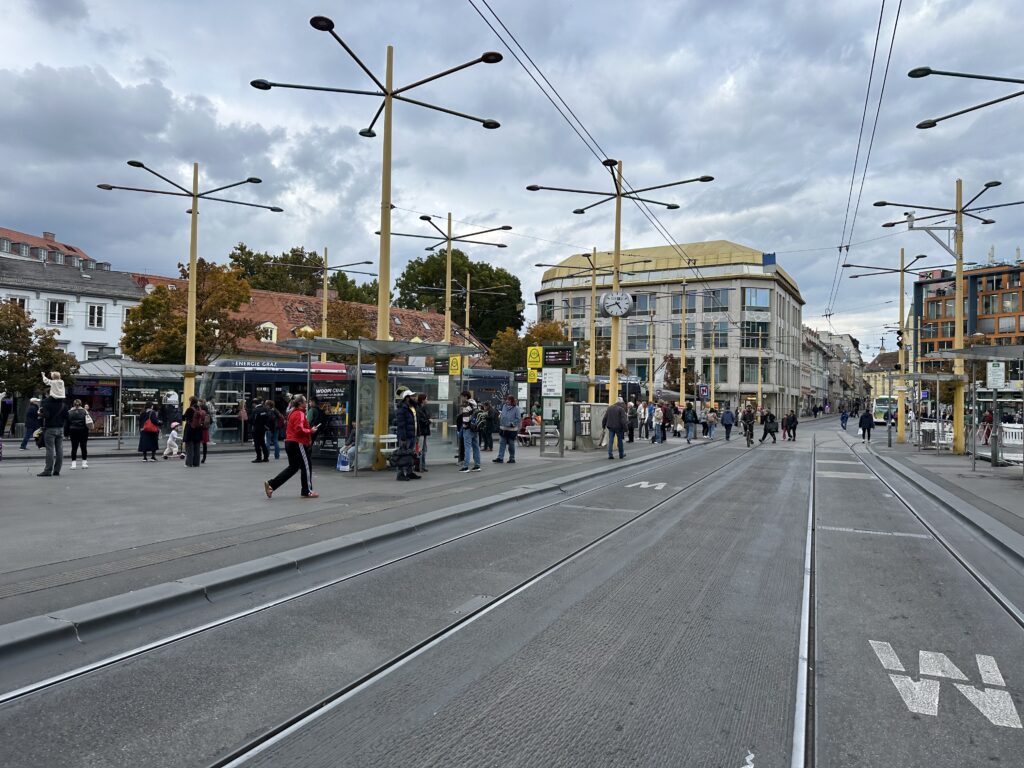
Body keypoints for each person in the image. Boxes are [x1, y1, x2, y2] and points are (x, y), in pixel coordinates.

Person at [265, 394, 319, 498]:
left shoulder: (292, 413)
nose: (306, 403)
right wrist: (310, 431)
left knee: (293, 468)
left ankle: (271, 484)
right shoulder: (300, 414)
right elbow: (299, 429)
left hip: (290, 442)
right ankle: (307, 490)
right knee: (307, 466)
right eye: (304, 401)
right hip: (298, 443)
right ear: (300, 403)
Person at [38, 381, 66, 477]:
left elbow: (46, 415)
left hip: (50, 428)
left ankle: (48, 470)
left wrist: (40, 414)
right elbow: (66, 416)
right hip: (60, 428)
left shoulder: (46, 402)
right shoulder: (62, 403)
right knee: (60, 449)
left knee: (50, 450)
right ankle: (57, 470)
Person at [394, 387, 421, 481]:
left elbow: (415, 421)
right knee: (402, 455)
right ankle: (400, 474)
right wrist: (403, 438)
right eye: (412, 396)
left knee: (410, 455)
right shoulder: (402, 409)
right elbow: (401, 424)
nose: (415, 398)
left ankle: (409, 472)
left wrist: (417, 434)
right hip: (405, 436)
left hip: (412, 434)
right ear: (407, 398)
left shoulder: (413, 407)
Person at [494, 394, 521, 464]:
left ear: (512, 401)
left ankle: (512, 458)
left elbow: (518, 419)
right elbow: (503, 415)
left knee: (511, 444)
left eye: (509, 400)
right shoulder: (504, 406)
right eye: (507, 400)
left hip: (511, 430)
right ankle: (500, 458)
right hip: (503, 428)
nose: (507, 401)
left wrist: (512, 424)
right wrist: (501, 419)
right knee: (502, 443)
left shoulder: (516, 408)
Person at [65, 399, 90, 469]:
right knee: (83, 447)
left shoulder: (69, 412)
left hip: (73, 431)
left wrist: (66, 434)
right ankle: (84, 463)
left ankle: (73, 464)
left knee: (74, 447)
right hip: (83, 431)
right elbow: (88, 421)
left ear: (73, 404)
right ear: (81, 404)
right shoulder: (85, 411)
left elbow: (66, 424)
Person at [460, 398, 482, 472]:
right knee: (476, 447)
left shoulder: (467, 409)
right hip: (476, 430)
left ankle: (465, 467)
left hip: (468, 430)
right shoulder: (477, 407)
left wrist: (464, 427)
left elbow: (466, 421)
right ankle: (477, 465)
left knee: (467, 448)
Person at [182, 396, 203, 468]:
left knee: (190, 447)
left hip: (190, 430)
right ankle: (196, 463)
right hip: (198, 430)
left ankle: (189, 463)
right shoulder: (199, 409)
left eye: (189, 401)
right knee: (197, 447)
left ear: (191, 401)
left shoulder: (190, 409)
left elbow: (184, 418)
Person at [416, 393, 432, 472]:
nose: (427, 400)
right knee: (420, 449)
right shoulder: (418, 409)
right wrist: (428, 421)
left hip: (424, 431)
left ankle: (423, 466)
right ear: (422, 400)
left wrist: (428, 420)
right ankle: (419, 466)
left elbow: (428, 416)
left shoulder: (424, 408)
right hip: (421, 431)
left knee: (424, 449)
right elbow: (422, 420)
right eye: (426, 399)